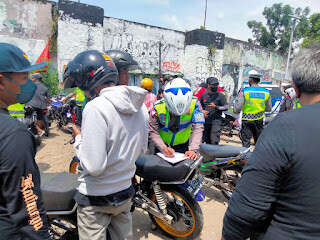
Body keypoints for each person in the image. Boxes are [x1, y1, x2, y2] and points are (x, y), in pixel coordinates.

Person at [222, 44, 320, 240]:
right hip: (260, 122)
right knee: (258, 145)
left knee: (246, 149)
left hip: (248, 122)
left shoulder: (284, 124)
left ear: (296, 88)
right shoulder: (266, 93)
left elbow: (245, 212)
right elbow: (268, 109)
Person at [63, 50, 148, 240]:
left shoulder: (96, 107)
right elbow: (142, 150)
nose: (82, 92)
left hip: (96, 198)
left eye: (81, 86)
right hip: (125, 193)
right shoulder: (140, 106)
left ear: (88, 81)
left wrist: (78, 139)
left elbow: (94, 166)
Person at [0, 43, 50, 239]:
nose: (30, 84)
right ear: (2, 82)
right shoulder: (13, 134)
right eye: (24, 78)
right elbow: (29, 207)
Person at [149, 77, 204, 160]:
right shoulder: (157, 107)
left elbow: (198, 127)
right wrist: (163, 148)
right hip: (161, 144)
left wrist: (193, 149)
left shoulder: (195, 104)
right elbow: (153, 130)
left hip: (182, 145)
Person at [233, 70, 272, 147]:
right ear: (259, 81)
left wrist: (235, 111)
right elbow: (268, 109)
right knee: (258, 142)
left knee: (246, 142)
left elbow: (237, 109)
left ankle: (245, 157)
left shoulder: (245, 91)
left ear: (250, 80)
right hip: (259, 120)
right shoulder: (266, 92)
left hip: (247, 120)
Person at [200, 77, 228, 145]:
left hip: (216, 121)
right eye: (213, 85)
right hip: (205, 121)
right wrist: (202, 112)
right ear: (208, 85)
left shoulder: (221, 95)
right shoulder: (204, 95)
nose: (215, 86)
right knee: (205, 140)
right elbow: (200, 106)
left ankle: (214, 154)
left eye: (216, 84)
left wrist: (216, 107)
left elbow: (226, 107)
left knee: (214, 140)